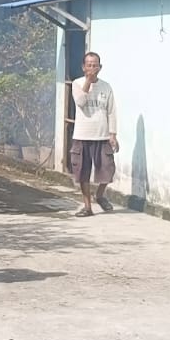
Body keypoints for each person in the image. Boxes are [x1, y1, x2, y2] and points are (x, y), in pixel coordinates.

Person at [69, 51, 118, 218]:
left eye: (95, 65)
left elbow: (111, 111)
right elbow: (81, 103)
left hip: (102, 135)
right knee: (82, 172)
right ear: (83, 67)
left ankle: (100, 195)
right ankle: (87, 207)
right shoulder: (77, 83)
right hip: (82, 135)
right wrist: (88, 84)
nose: (92, 68)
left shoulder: (106, 87)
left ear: (100, 67)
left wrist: (113, 134)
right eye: (89, 65)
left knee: (108, 169)